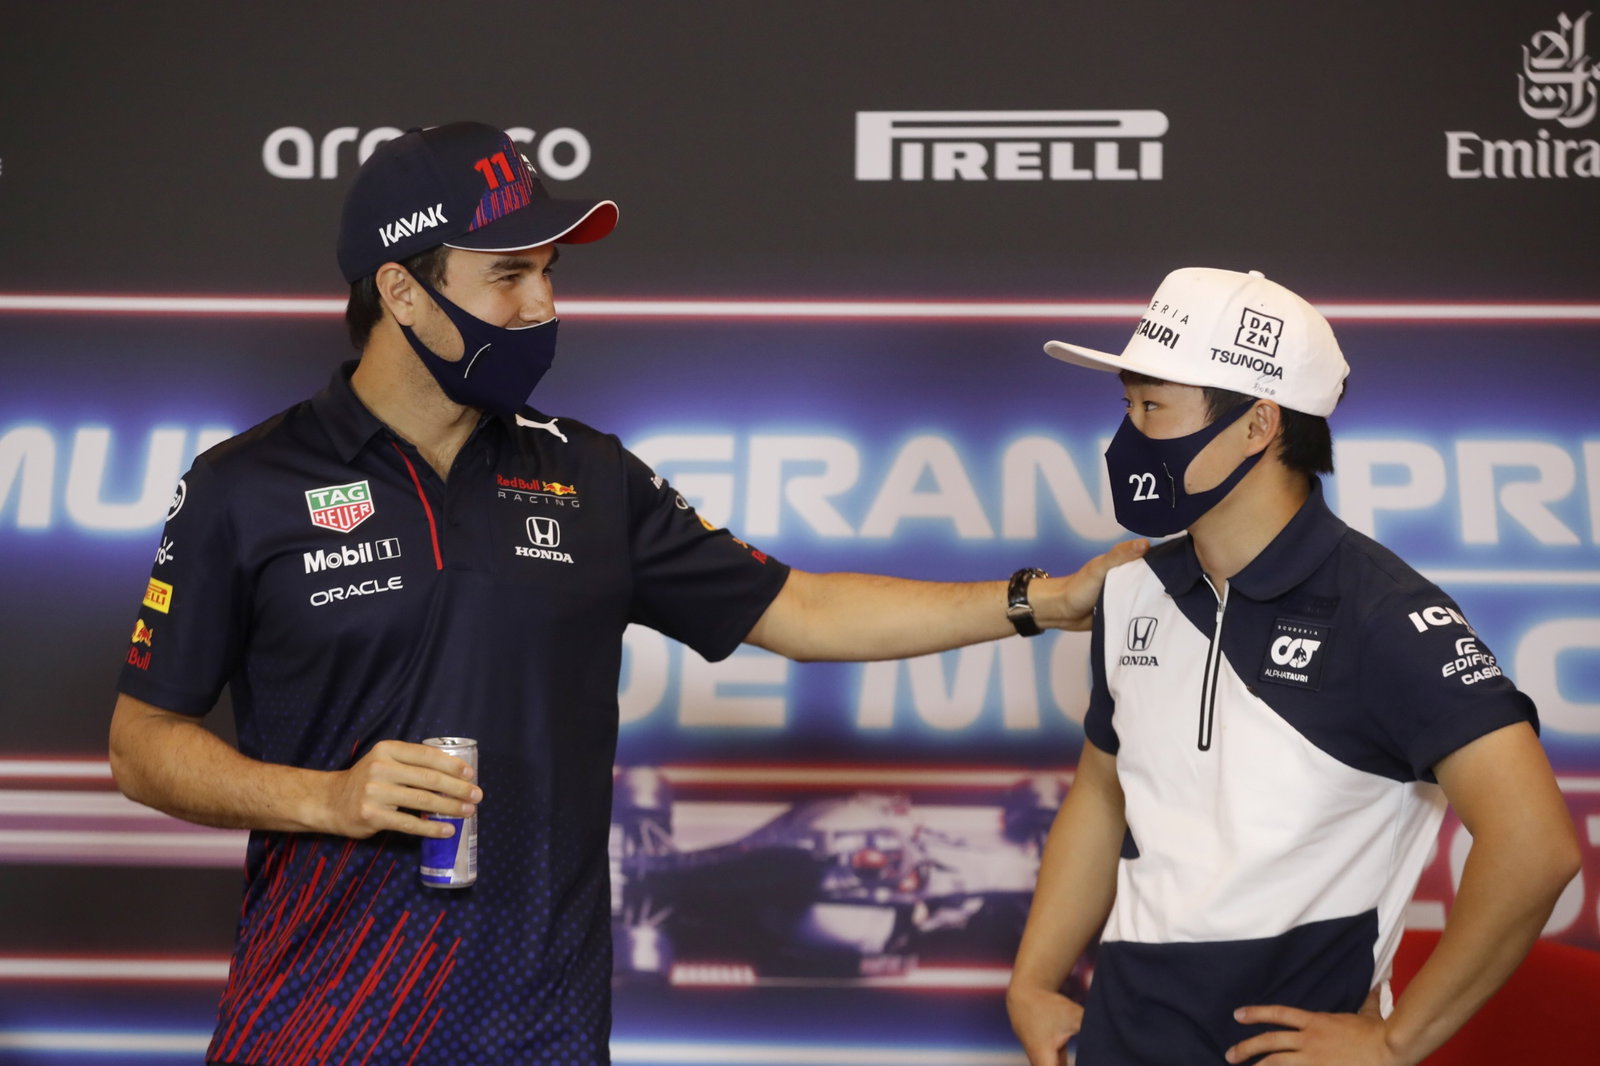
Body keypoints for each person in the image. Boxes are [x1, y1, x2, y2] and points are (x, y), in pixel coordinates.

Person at [106, 121, 1141, 1066]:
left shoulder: (590, 476)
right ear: (403, 290)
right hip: (315, 1028)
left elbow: (803, 609)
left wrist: (1040, 601)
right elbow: (141, 745)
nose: (544, 305)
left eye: (549, 272)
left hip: (538, 1035)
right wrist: (322, 797)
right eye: (508, 274)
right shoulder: (246, 485)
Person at [1006, 267, 1582, 1066]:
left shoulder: (1383, 612)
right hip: (1116, 1041)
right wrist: (1033, 983)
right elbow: (1104, 790)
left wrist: (1395, 1042)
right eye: (1126, 407)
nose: (1127, 438)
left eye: (1151, 408)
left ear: (1258, 425)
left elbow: (1535, 846)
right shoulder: (1130, 588)